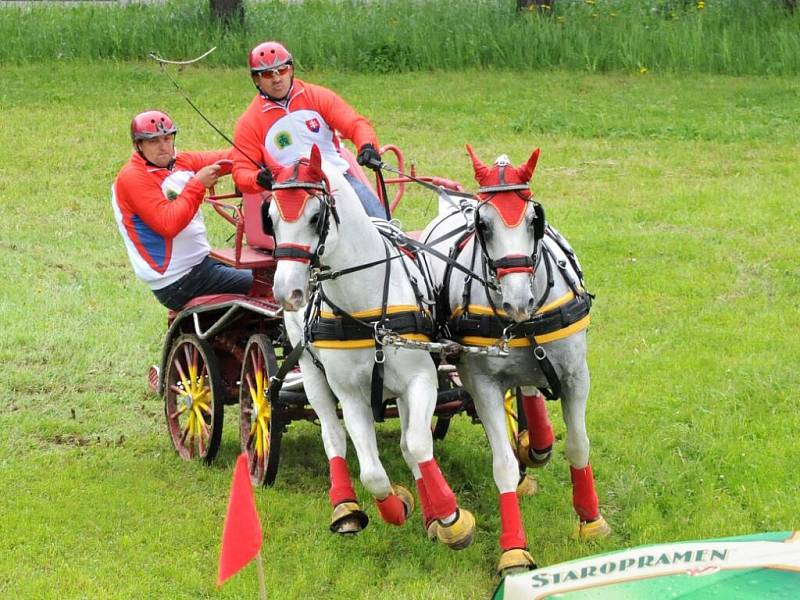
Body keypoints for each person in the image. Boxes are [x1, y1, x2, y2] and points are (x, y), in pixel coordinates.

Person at [112, 110, 253, 311]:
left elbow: (228, 158)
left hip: (201, 264)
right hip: (178, 280)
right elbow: (168, 225)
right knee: (266, 285)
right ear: (138, 146)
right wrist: (197, 185)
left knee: (269, 271)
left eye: (167, 138)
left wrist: (257, 153)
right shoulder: (133, 178)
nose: (163, 146)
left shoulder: (180, 161)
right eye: (153, 141)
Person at [231, 41, 386, 218]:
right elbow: (241, 171)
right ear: (256, 79)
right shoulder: (249, 122)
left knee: (381, 222)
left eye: (281, 70)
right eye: (267, 74)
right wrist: (258, 179)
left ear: (291, 70)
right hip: (288, 191)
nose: (276, 79)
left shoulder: (318, 96)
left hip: (337, 180)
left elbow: (355, 124)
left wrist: (366, 146)